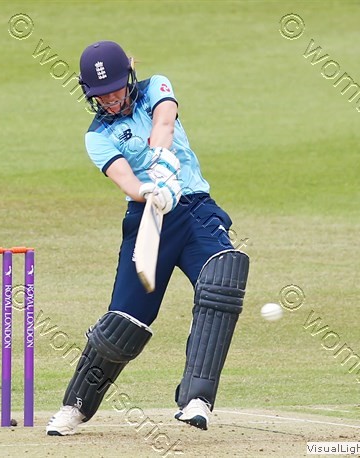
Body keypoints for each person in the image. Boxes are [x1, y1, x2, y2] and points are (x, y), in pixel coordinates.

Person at [46, 41, 250, 436]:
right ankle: (75, 407)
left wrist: (160, 163)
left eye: (115, 89)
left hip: (195, 209)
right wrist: (149, 189)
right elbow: (125, 179)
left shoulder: (156, 86)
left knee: (223, 279)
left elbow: (164, 123)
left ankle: (196, 399)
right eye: (101, 95)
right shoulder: (97, 136)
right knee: (124, 322)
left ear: (130, 76)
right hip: (148, 216)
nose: (110, 99)